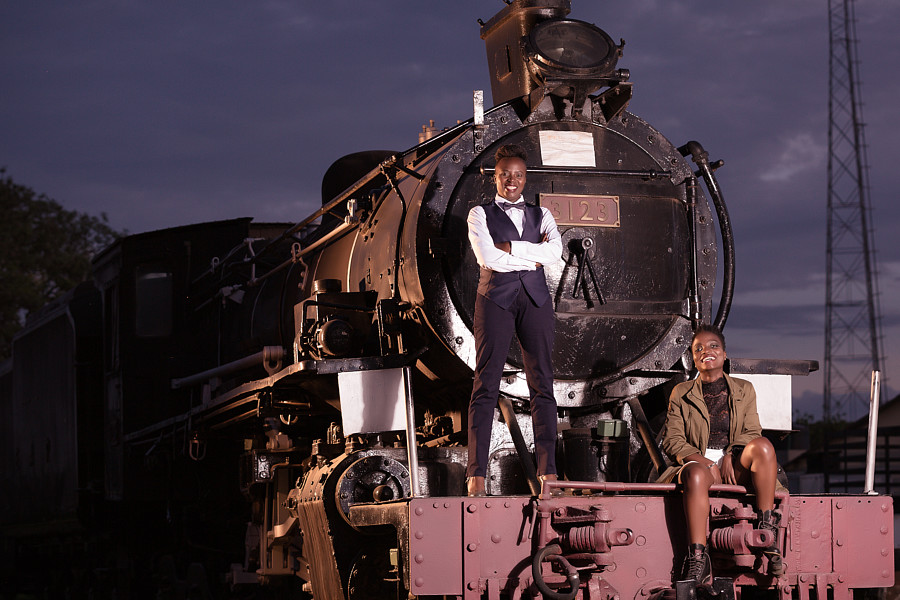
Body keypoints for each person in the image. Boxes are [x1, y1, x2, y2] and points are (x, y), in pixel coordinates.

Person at [465, 143, 562, 497]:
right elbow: (487, 257)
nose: (512, 181)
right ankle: (476, 473)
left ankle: (548, 472)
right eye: (506, 174)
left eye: (518, 175)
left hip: (535, 301)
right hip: (495, 301)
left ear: (525, 178)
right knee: (486, 384)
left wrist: (513, 248)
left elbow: (555, 252)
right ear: (496, 176)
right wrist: (530, 256)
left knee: (543, 385)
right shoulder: (479, 213)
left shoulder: (543, 213)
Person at [657, 324, 783, 583]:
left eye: (713, 346)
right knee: (693, 474)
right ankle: (697, 557)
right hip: (700, 465)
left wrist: (729, 454)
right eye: (698, 348)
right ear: (693, 359)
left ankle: (767, 529)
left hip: (735, 464)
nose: (706, 351)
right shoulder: (681, 393)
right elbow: (673, 440)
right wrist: (704, 462)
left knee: (763, 445)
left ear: (724, 354)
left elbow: (751, 430)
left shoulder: (744, 389)